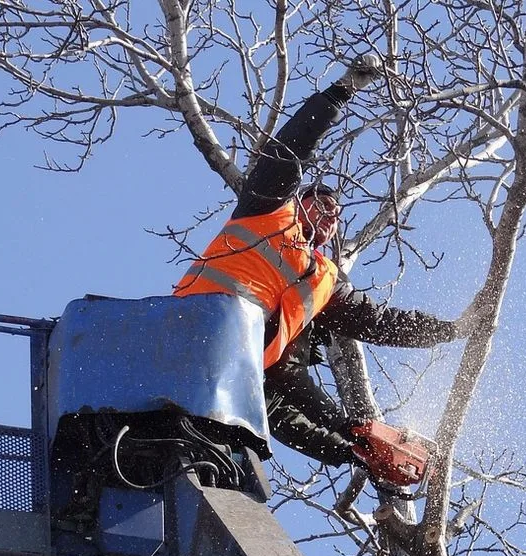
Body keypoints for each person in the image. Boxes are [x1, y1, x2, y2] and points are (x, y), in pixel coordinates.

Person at [174, 55, 483, 466]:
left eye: (337, 214)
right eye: (322, 203)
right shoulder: (267, 211)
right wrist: (341, 92)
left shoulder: (320, 282)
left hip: (228, 374)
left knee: (290, 419)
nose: (331, 215)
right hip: (186, 332)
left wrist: (452, 330)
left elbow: (380, 323)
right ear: (299, 201)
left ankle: (363, 443)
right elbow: (289, 151)